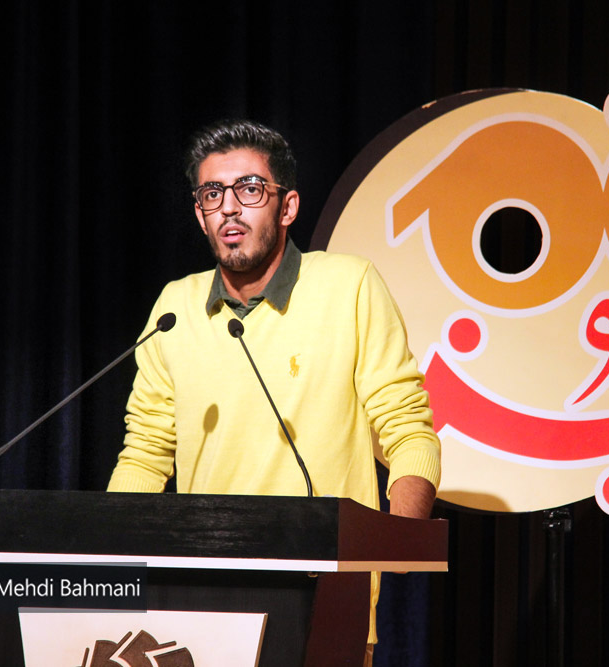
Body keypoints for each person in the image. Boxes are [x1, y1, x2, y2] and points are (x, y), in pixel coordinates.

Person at [106, 119, 441, 661]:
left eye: (249, 189)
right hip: (199, 608)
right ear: (199, 214)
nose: (229, 208)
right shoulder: (175, 306)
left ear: (287, 207)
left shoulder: (349, 285)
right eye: (212, 194)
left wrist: (400, 538)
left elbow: (407, 431)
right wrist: (106, 560)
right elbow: (146, 452)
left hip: (325, 602)